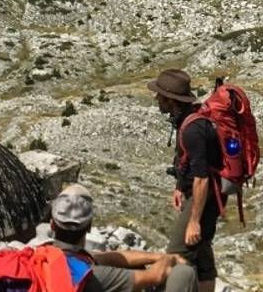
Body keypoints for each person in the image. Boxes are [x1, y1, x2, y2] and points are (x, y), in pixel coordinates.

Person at [147, 69, 222, 292]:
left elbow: (201, 178)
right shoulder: (186, 120)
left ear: (170, 99)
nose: (157, 100)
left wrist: (194, 220)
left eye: (160, 96)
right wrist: (180, 186)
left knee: (176, 254)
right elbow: (185, 161)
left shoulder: (193, 129)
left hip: (204, 196)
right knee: (201, 249)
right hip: (203, 195)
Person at [46, 184, 196, 292]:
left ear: (52, 225)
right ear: (89, 226)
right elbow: (155, 275)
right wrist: (170, 259)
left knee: (134, 265)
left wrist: (156, 257)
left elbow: (109, 258)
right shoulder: (90, 275)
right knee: (183, 273)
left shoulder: (43, 257)